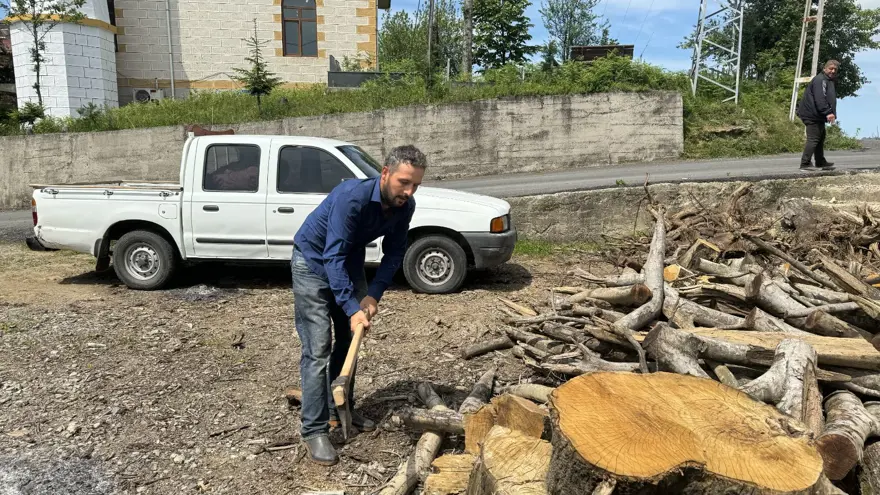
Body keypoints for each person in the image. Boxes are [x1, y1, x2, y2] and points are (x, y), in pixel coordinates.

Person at [290, 145, 427, 466]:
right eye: (403, 182)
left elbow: (394, 254)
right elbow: (331, 255)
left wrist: (371, 297)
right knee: (319, 347)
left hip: (347, 262)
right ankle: (313, 429)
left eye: (415, 185)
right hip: (311, 261)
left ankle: (340, 407)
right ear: (385, 173)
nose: (408, 191)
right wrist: (351, 308)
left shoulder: (404, 206)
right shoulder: (351, 197)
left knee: (352, 336)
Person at [797, 59, 839, 171]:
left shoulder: (828, 80)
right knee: (814, 138)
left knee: (820, 137)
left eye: (835, 69)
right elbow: (820, 98)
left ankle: (820, 161)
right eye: (831, 68)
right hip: (812, 114)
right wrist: (828, 112)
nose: (833, 71)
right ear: (825, 68)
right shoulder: (820, 80)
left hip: (817, 115)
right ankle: (805, 163)